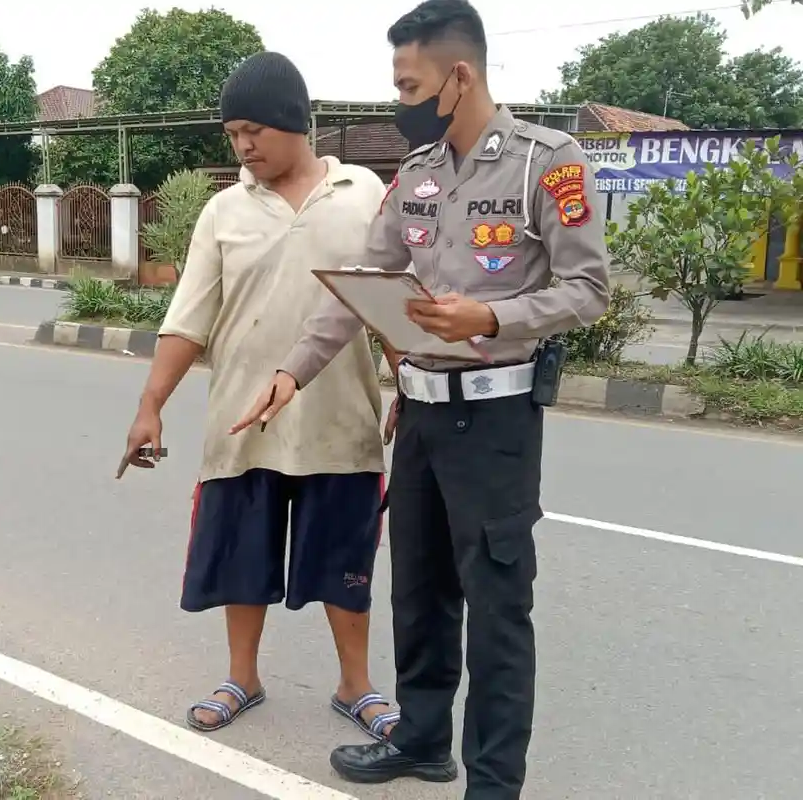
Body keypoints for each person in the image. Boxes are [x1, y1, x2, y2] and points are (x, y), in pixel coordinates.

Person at [231, 2, 610, 797]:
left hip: (496, 420)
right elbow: (360, 290)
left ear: (458, 75)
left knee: (497, 608)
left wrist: (494, 317)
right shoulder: (417, 174)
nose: (400, 99)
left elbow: (588, 289)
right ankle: (424, 739)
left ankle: (494, 782)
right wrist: (291, 373)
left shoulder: (548, 163)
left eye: (409, 85)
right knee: (420, 590)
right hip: (421, 413)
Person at [117, 52, 402, 741]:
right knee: (242, 560)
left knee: (345, 564)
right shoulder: (224, 211)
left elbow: (388, 299)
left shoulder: (363, 192)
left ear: (294, 122)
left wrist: (410, 387)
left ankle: (356, 686)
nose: (242, 146)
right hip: (243, 425)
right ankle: (241, 677)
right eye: (232, 134)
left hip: (341, 423)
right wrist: (150, 406)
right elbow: (188, 321)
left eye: (254, 130)